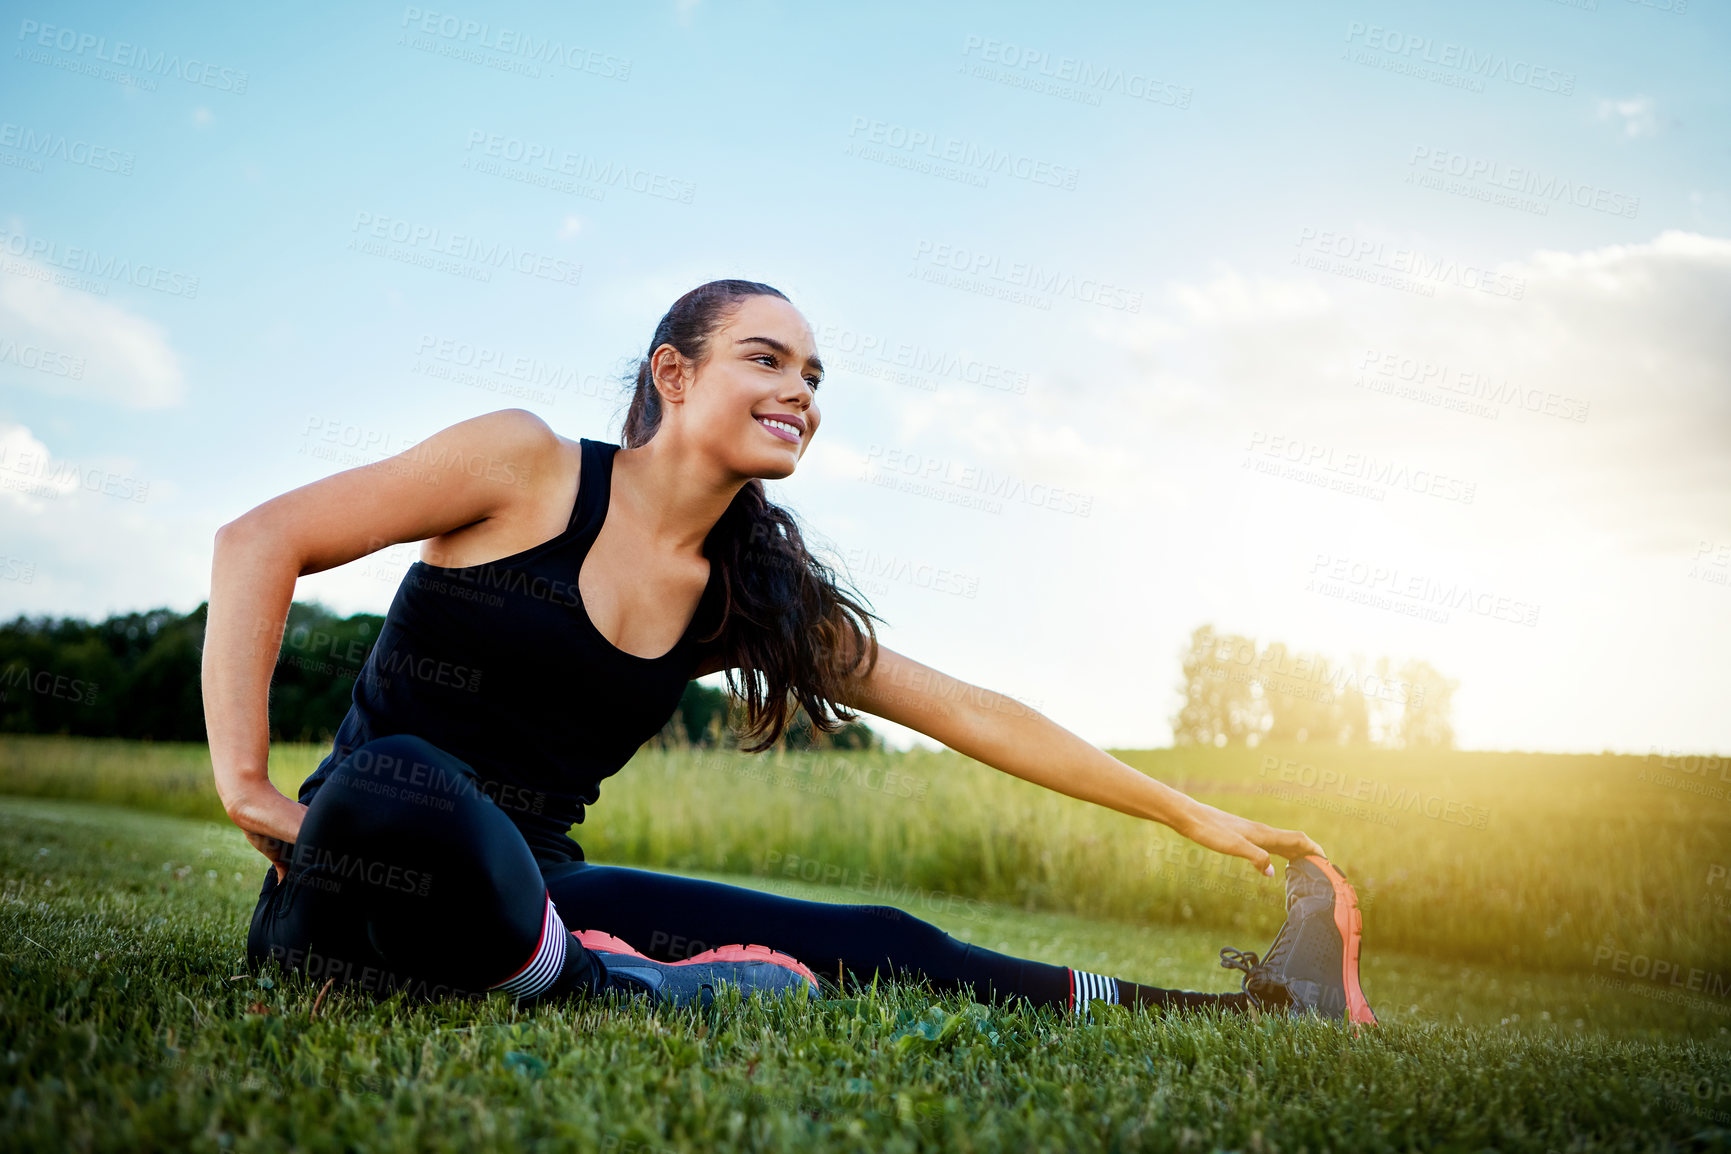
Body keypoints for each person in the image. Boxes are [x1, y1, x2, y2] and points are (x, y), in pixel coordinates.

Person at [204, 279, 1376, 1025]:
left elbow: (966, 707)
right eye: (766, 358)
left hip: (541, 895)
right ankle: (593, 980)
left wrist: (1194, 816)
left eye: (814, 375)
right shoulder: (525, 465)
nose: (800, 391)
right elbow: (262, 539)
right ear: (674, 372)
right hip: (361, 872)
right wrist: (249, 785)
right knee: (398, 774)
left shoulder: (745, 591)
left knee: (884, 941)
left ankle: (1251, 1012)